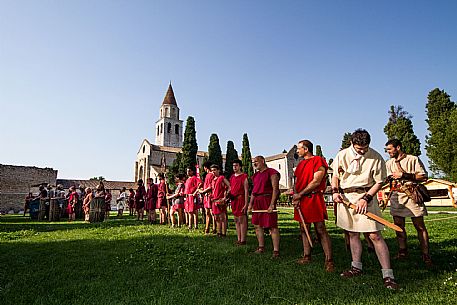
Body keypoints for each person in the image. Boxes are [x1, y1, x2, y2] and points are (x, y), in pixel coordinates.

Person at [332, 129, 398, 289]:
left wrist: (366, 198)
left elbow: (379, 181)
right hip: (347, 198)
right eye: (359, 149)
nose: (362, 151)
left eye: (365, 148)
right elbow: (335, 175)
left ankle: (388, 275)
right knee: (353, 233)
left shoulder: (375, 157)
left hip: (366, 196)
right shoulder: (342, 155)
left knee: (375, 235)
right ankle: (356, 267)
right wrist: (335, 191)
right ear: (351, 143)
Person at [385, 139, 432, 266]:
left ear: (398, 147)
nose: (388, 152)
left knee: (419, 226)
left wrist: (404, 175)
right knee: (398, 226)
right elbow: (385, 179)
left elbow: (423, 176)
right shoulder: (388, 163)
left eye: (390, 149)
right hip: (397, 196)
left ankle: (426, 254)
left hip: (412, 194)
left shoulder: (413, 159)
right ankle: (402, 252)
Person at [292, 140, 334, 272]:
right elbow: (297, 182)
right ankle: (306, 256)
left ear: (306, 149)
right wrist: (295, 195)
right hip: (301, 200)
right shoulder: (300, 165)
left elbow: (317, 181)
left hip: (313, 198)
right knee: (303, 229)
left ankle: (329, 260)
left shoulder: (318, 160)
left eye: (299, 148)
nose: (297, 151)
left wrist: (301, 194)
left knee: (320, 229)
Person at [248, 156, 281, 258]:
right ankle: (261, 247)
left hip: (267, 199)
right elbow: (254, 191)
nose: (254, 163)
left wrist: (272, 204)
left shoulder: (272, 172)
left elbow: (275, 189)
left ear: (262, 161)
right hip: (257, 201)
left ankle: (276, 251)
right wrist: (250, 204)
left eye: (256, 161)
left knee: (272, 226)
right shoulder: (255, 176)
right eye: (254, 162)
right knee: (257, 225)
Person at [229, 159, 249, 245]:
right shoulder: (232, 177)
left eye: (236, 165)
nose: (234, 167)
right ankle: (239, 238)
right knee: (236, 220)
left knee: (242, 219)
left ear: (240, 166)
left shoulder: (244, 176)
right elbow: (231, 188)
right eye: (233, 166)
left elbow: (246, 190)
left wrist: (246, 203)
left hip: (241, 199)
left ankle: (243, 240)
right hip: (234, 200)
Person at [210, 164, 231, 237]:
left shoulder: (222, 178)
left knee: (222, 217)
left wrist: (225, 197)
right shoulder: (212, 180)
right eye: (212, 170)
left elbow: (229, 186)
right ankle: (219, 231)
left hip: (220, 200)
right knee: (216, 217)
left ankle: (223, 233)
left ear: (218, 170)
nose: (213, 172)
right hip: (214, 200)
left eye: (215, 170)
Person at [199, 161, 215, 234]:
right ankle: (207, 228)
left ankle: (213, 228)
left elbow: (211, 186)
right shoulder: (208, 175)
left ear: (205, 167)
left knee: (211, 212)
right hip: (207, 195)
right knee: (208, 212)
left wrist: (203, 191)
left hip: (210, 195)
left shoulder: (211, 175)